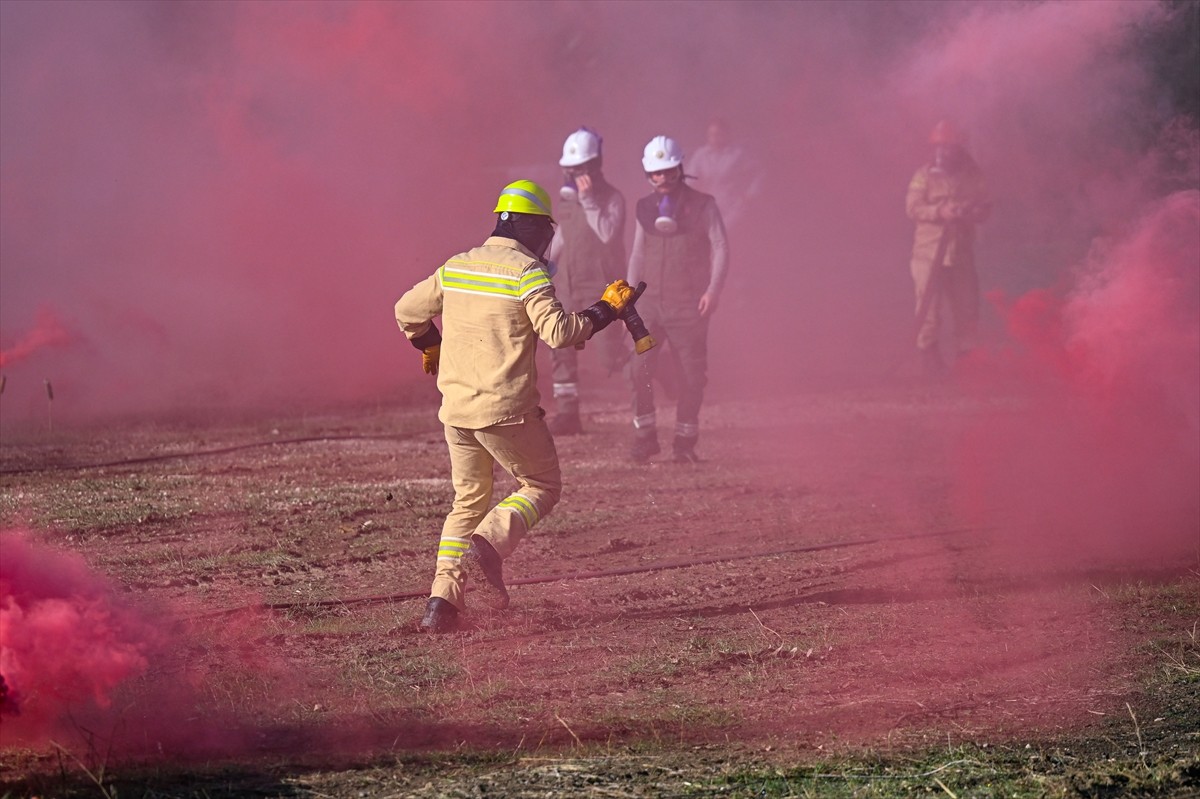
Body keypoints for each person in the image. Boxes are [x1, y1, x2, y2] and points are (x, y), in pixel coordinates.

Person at [394, 180, 637, 633]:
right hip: (505, 410)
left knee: (465, 503)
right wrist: (606, 310)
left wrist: (430, 344)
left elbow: (407, 309)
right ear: (534, 230)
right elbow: (561, 333)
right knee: (542, 484)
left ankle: (441, 605)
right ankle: (489, 540)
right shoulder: (527, 273)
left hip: (457, 411)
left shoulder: (457, 266)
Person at [627, 135, 729, 464]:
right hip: (650, 303)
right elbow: (638, 252)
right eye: (655, 174)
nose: (662, 179)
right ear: (648, 174)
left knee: (691, 376)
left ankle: (684, 444)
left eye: (668, 172)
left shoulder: (704, 205)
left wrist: (713, 290)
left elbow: (720, 247)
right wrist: (629, 296)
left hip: (689, 305)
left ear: (679, 169)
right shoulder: (644, 207)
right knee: (639, 369)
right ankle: (645, 439)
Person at [543, 127, 627, 435]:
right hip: (568, 283)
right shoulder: (567, 202)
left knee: (611, 356)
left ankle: (663, 372)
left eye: (580, 169)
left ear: (595, 165)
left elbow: (607, 234)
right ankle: (568, 414)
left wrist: (589, 200)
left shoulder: (612, 198)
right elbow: (561, 236)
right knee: (560, 344)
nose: (574, 174)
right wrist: (546, 266)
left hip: (601, 286)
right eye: (571, 169)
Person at [905, 120, 993, 377]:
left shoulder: (974, 175)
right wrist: (940, 212)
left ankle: (966, 360)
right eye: (938, 147)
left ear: (960, 149)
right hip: (928, 255)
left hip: (961, 253)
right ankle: (930, 359)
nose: (942, 153)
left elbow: (986, 207)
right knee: (929, 310)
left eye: (948, 147)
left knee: (967, 307)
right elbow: (912, 208)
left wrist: (973, 213)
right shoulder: (923, 176)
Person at [687, 117, 762, 234]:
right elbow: (689, 179)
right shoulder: (701, 155)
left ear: (727, 134)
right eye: (711, 135)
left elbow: (758, 173)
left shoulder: (738, 154)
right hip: (708, 207)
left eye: (718, 134)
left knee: (727, 237)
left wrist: (750, 195)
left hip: (733, 207)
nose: (714, 138)